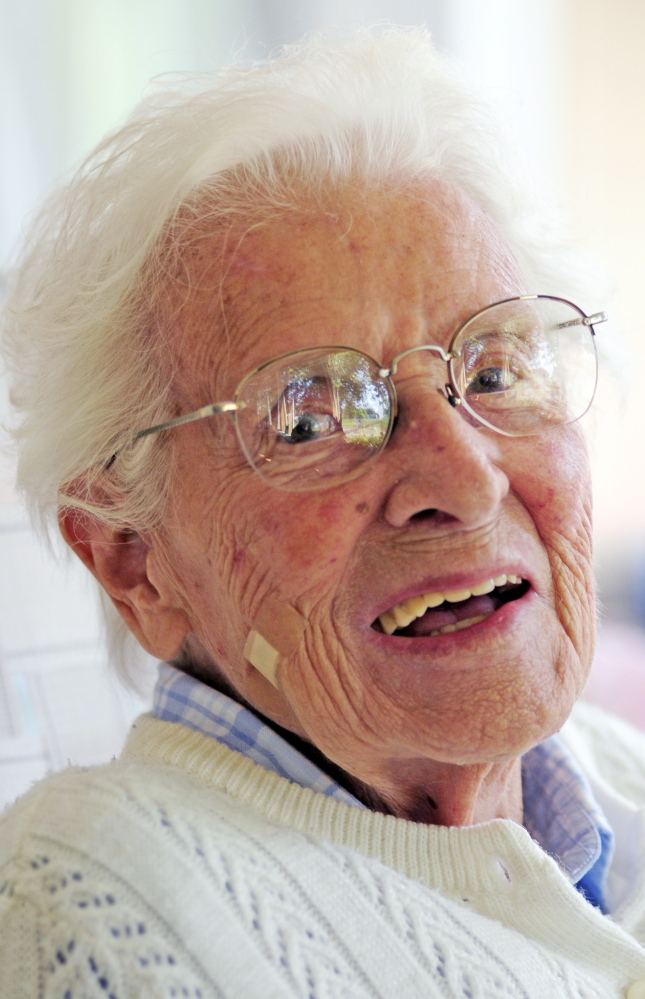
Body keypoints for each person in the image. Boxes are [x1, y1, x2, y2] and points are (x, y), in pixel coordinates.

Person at [1, 27, 645, 999]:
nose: (463, 480)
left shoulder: (608, 775)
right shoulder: (97, 907)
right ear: (132, 558)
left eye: (496, 370)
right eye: (308, 418)